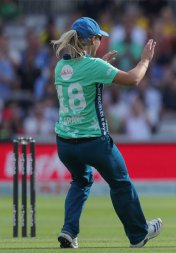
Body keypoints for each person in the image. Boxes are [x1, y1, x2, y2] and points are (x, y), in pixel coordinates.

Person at [51, 17, 162, 249]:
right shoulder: (94, 66)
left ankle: (69, 231)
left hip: (65, 143)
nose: (101, 41)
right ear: (91, 39)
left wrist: (99, 63)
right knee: (120, 184)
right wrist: (144, 60)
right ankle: (139, 234)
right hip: (94, 142)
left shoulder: (61, 66)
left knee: (80, 181)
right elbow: (133, 79)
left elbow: (82, 77)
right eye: (99, 37)